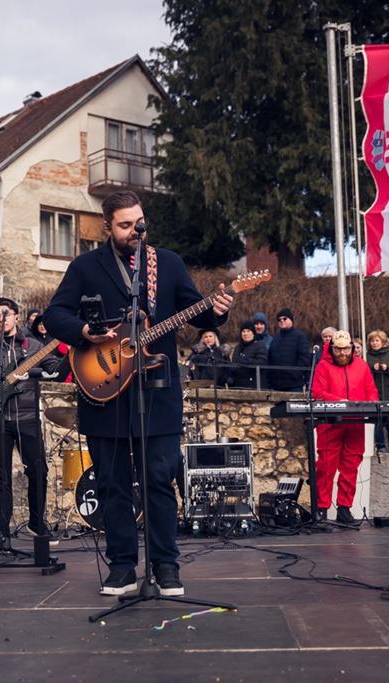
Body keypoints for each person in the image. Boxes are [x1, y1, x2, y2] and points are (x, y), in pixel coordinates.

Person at [42, 189, 233, 597]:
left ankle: (166, 566)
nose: (134, 230)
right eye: (125, 225)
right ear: (107, 226)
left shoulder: (167, 263)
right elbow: (54, 315)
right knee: (111, 483)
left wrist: (217, 310)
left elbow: (194, 310)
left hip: (157, 392)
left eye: (139, 222)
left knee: (159, 481)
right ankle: (123, 566)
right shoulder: (85, 267)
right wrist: (86, 332)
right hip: (104, 391)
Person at [0, 297, 62, 551]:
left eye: (7, 314)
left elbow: (55, 369)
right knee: (0, 478)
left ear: (16, 316)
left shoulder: (35, 346)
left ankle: (37, 523)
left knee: (38, 471)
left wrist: (69, 355)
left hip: (27, 418)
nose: (2, 320)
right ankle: (1, 531)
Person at [311, 330, 378, 525]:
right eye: (338, 350)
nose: (342, 353)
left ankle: (344, 508)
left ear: (352, 348)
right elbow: (317, 392)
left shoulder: (362, 366)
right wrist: (340, 401)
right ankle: (321, 509)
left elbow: (371, 391)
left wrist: (371, 404)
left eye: (346, 349)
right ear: (332, 348)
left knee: (351, 467)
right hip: (330, 424)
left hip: (355, 423)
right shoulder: (323, 366)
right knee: (326, 466)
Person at [366, 330, 389, 452]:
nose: (374, 343)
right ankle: (380, 446)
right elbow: (363, 375)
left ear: (382, 342)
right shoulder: (367, 356)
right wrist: (373, 369)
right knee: (377, 421)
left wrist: (388, 369)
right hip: (374, 392)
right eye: (372, 341)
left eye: (377, 340)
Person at [267, 308, 311, 392]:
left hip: (294, 385)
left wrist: (295, 374)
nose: (282, 321)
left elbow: (304, 359)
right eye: (279, 319)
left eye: (285, 318)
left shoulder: (300, 336)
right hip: (276, 384)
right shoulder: (275, 338)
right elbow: (270, 358)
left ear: (291, 320)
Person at [228, 321, 268, 389]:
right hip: (238, 384)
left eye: (248, 331)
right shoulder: (238, 347)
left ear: (253, 333)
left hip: (253, 385)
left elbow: (262, 363)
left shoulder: (260, 346)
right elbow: (234, 363)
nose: (245, 333)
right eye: (243, 331)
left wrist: (246, 361)